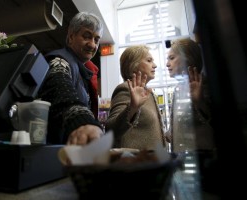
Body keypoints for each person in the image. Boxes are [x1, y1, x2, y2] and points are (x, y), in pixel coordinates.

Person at [38, 12, 104, 145]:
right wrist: (81, 120)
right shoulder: (59, 60)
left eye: (96, 40)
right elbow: (60, 89)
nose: (92, 45)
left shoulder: (83, 71)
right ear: (71, 37)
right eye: (86, 36)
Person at [105, 45, 166, 150]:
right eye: (149, 60)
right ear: (134, 65)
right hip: (135, 163)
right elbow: (111, 129)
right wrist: (132, 107)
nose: (155, 65)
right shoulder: (125, 89)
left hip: (152, 162)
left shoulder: (147, 92)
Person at [165, 38, 215, 153]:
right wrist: (171, 132)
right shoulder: (178, 89)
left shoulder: (205, 85)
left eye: (172, 58)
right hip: (182, 158)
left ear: (188, 58)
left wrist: (200, 102)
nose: (167, 64)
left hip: (204, 158)